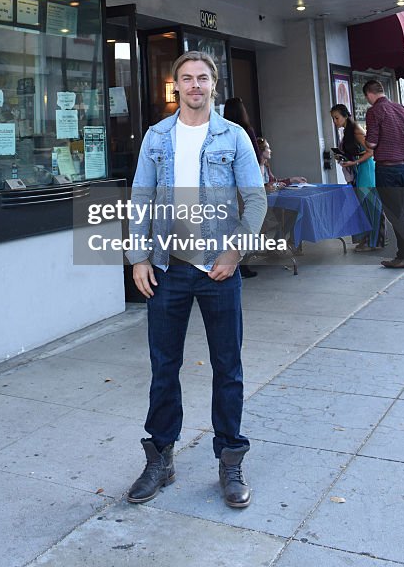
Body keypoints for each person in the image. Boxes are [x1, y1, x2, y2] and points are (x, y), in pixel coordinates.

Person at [126, 52, 267, 509]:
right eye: (186, 79)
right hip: (167, 269)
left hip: (218, 270)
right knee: (163, 366)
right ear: (176, 87)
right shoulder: (157, 136)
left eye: (202, 78)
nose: (194, 86)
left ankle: (230, 460)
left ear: (214, 85)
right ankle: (160, 459)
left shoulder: (233, 135)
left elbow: (255, 198)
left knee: (228, 367)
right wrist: (138, 257)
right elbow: (140, 199)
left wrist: (235, 249)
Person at [362, 80, 404, 268]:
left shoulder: (374, 111)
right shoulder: (401, 108)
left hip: (387, 169)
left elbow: (371, 143)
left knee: (395, 214)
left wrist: (366, 140)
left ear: (369, 94)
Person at [330, 104, 383, 250]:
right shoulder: (348, 131)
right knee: (363, 206)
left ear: (345, 116)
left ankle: (374, 241)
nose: (335, 121)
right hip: (359, 169)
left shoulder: (356, 130)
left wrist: (354, 161)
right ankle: (369, 239)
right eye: (333, 118)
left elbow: (370, 151)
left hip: (365, 169)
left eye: (336, 118)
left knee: (370, 205)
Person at [223, 97, 260, 277]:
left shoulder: (222, 132)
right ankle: (242, 261)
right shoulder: (244, 131)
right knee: (246, 221)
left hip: (229, 188)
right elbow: (257, 159)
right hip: (244, 186)